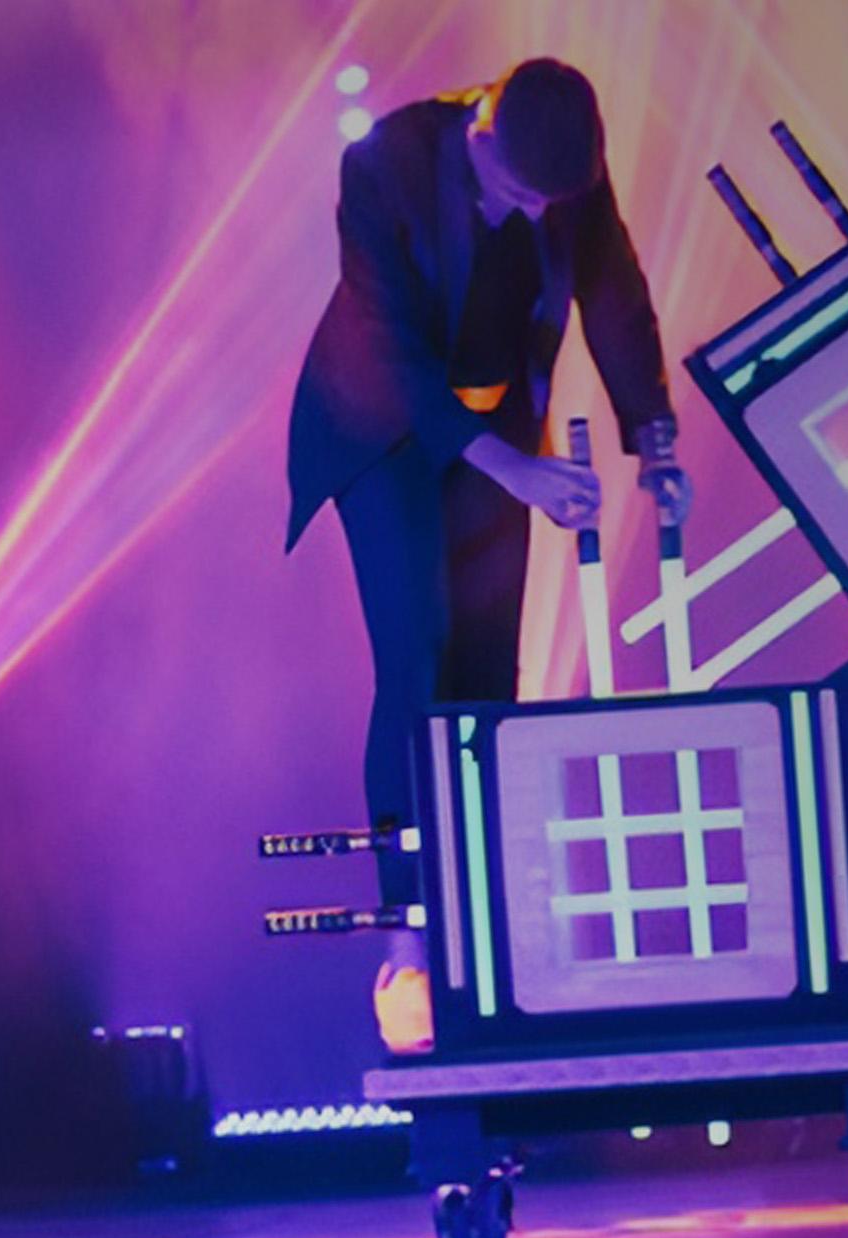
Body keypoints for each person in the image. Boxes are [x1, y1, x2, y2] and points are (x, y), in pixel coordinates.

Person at [282, 58, 692, 1050]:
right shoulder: (386, 164)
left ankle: (485, 912)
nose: (528, 215)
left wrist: (655, 444)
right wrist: (513, 469)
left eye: (547, 202)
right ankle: (409, 935)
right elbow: (391, 351)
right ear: (482, 141)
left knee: (487, 680)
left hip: (495, 430)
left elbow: (617, 302)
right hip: (383, 429)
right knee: (417, 659)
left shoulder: (569, 186)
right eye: (514, 195)